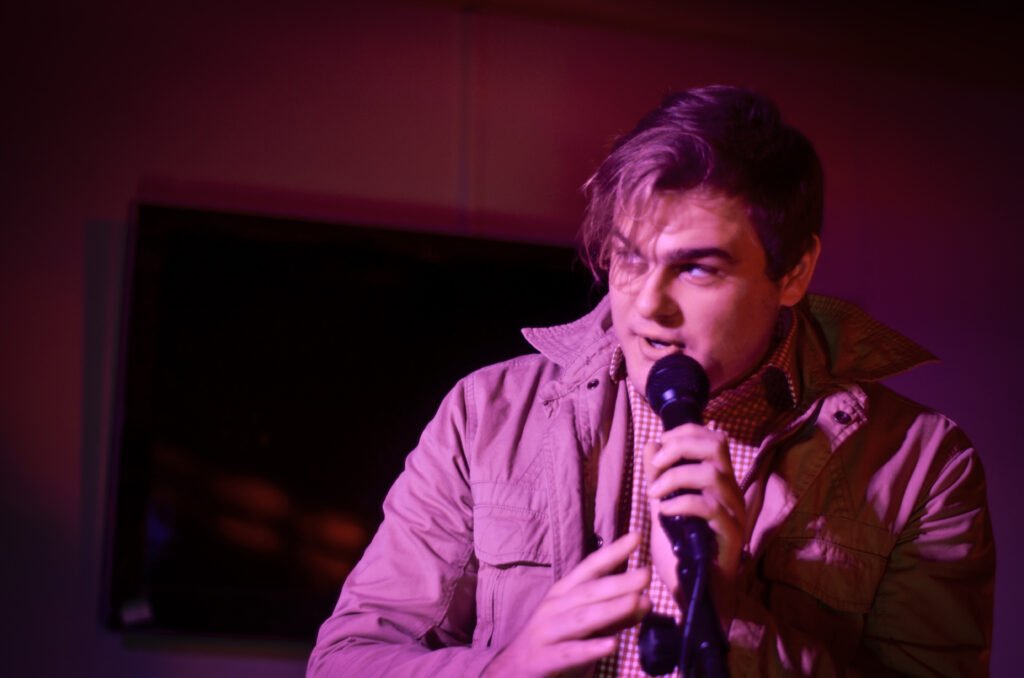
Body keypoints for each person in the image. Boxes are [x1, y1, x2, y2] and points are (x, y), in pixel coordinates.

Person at [307, 85, 994, 676]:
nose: (646, 305)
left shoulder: (924, 465)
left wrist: (726, 620)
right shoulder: (486, 412)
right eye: (630, 259)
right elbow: (343, 661)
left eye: (698, 269)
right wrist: (506, 666)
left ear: (794, 274)